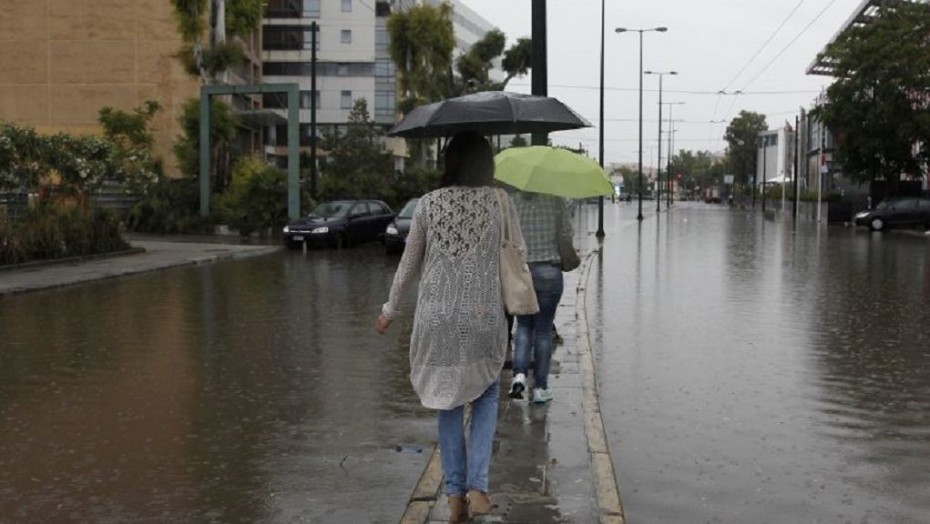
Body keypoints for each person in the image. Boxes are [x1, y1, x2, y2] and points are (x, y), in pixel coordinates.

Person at [375, 131, 522, 523]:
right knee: (487, 393)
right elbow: (515, 255)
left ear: (449, 162)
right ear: (487, 164)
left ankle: (455, 497)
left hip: (436, 319)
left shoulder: (427, 204)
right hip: (483, 317)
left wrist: (389, 310)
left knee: (447, 402)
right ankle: (478, 487)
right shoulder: (500, 202)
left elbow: (407, 265)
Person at [507, 190, 572, 403]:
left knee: (523, 326)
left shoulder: (513, 202)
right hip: (549, 271)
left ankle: (519, 375)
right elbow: (566, 234)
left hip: (522, 272)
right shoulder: (557, 200)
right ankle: (540, 389)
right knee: (543, 330)